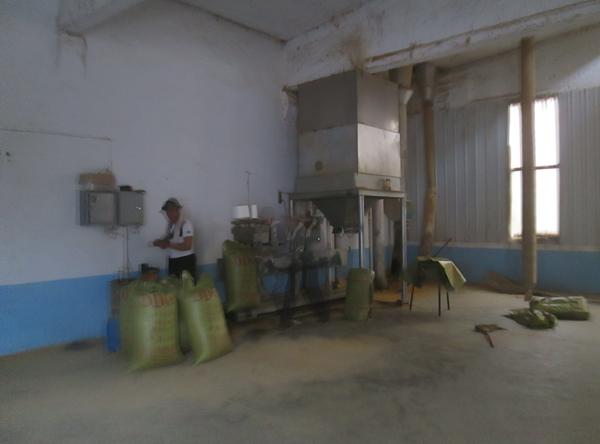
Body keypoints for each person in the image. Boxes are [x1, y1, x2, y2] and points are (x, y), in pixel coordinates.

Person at [153, 198, 196, 282]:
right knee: (173, 285)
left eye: (172, 210)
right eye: (167, 211)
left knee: (186, 287)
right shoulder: (170, 225)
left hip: (185, 260)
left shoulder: (186, 223)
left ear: (178, 210)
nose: (169, 213)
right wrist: (159, 243)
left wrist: (168, 245)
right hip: (173, 260)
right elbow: (167, 240)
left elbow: (187, 246)